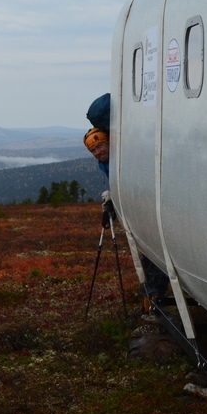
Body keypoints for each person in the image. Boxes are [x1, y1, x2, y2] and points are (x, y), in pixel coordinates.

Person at [82, 95, 170, 306]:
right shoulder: (113, 154)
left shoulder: (124, 149)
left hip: (151, 206)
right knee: (150, 251)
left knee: (153, 251)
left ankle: (154, 297)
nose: (97, 152)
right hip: (143, 207)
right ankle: (151, 295)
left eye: (99, 147)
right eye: (93, 150)